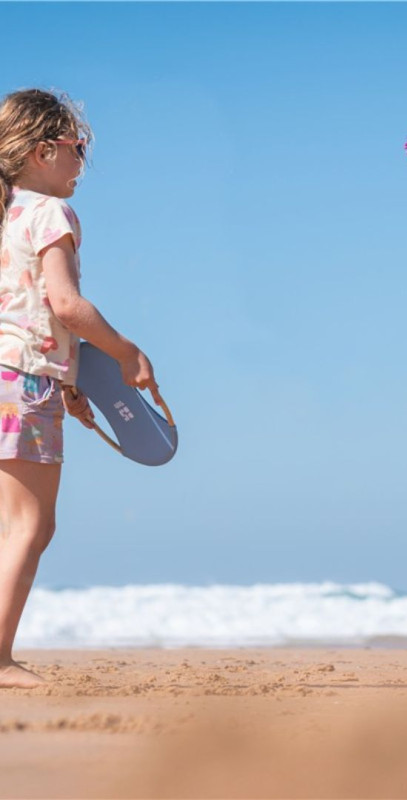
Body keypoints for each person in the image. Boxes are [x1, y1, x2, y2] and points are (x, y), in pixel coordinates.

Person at [0, 89, 160, 688]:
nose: (82, 160)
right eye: (78, 147)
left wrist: (70, 380)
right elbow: (64, 306)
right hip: (22, 387)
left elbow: (21, 313)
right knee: (29, 527)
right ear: (44, 151)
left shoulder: (5, 211)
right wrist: (127, 353)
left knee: (11, 523)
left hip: (12, 377)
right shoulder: (48, 213)